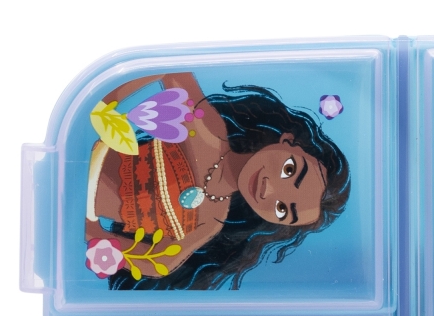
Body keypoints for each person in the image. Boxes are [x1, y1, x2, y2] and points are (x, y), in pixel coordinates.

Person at [86, 73, 350, 289]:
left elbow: (163, 263)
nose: (268, 189)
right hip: (84, 158)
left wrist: (92, 231)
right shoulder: (207, 133)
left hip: (77, 208)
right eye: (289, 170)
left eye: (282, 209)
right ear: (288, 141)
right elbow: (171, 70)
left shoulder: (212, 220)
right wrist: (103, 107)